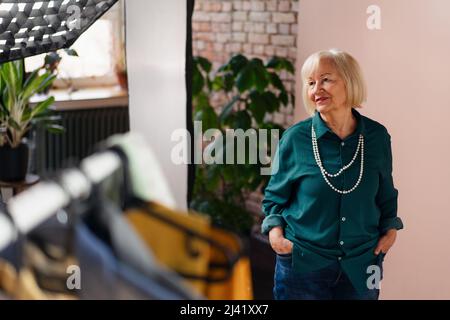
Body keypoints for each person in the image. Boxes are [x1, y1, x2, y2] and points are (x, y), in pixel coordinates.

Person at [261, 49, 403, 300]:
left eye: (326, 79)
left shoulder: (377, 137)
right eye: (311, 83)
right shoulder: (296, 138)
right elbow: (274, 198)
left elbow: (385, 195)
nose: (317, 89)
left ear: (350, 82)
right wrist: (277, 237)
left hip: (361, 266)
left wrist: (390, 231)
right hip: (303, 264)